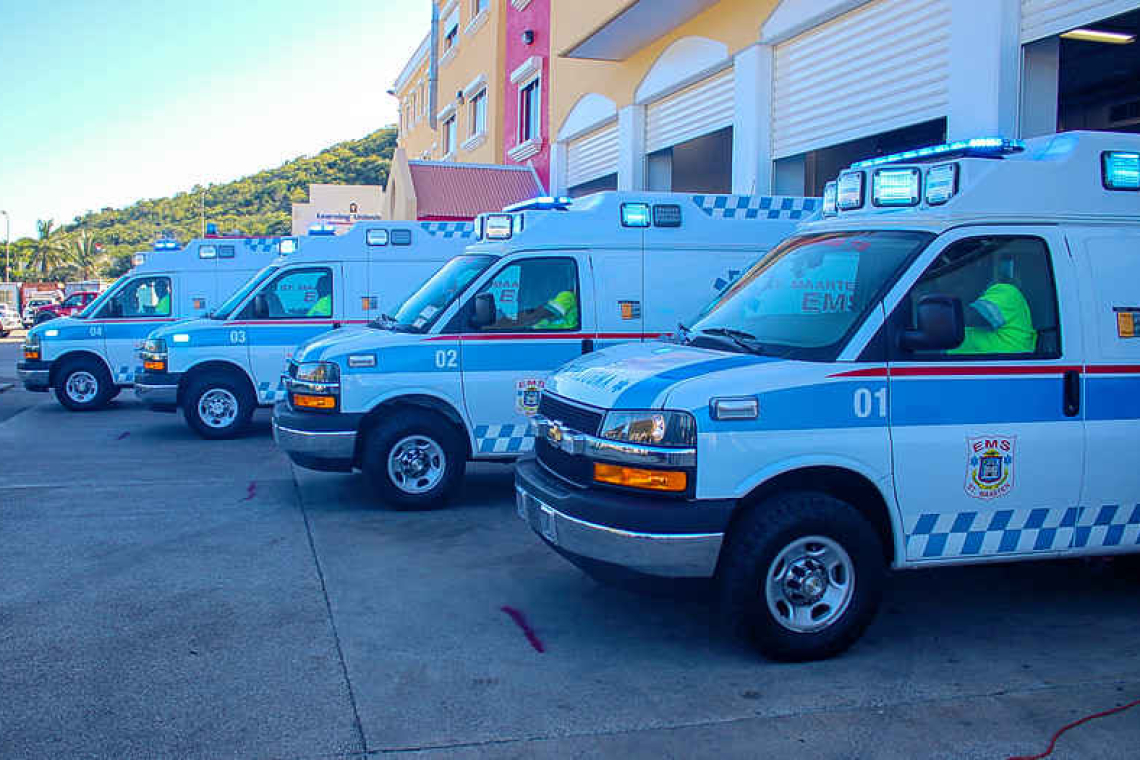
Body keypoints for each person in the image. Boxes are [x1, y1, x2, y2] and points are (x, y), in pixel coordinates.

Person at [949, 251, 1035, 355]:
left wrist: (932, 314)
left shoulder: (1006, 291)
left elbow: (971, 317)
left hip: (1006, 367)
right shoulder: (983, 297)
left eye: (962, 270)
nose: (958, 276)